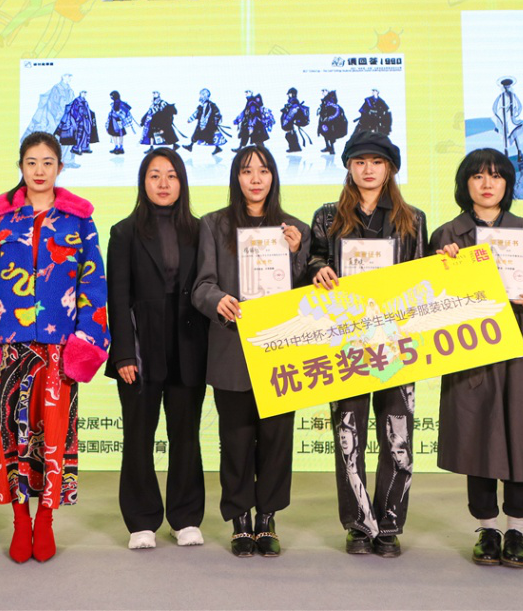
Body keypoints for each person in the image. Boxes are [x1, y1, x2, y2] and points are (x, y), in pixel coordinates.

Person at [0, 131, 109, 564]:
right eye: (31, 163)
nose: (39, 171)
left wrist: (86, 340)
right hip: (11, 348)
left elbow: (94, 284)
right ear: (21, 167)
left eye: (48, 163)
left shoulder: (79, 220)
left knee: (55, 437)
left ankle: (46, 519)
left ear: (60, 167)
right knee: (12, 434)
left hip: (60, 350)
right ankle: (20, 520)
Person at [429, 148, 523, 569]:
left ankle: (517, 531)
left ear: (507, 184)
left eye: (496, 176)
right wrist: (442, 268)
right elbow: (427, 298)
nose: (487, 184)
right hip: (472, 345)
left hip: (521, 345)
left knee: (522, 435)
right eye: (478, 176)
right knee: (478, 434)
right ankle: (487, 529)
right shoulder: (447, 235)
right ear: (465, 184)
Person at [307, 132, 427, 558]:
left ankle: (389, 525)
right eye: (360, 161)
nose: (368, 169)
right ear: (349, 167)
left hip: (397, 341)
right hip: (346, 342)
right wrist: (318, 268)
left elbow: (423, 275)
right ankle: (358, 524)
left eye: (377, 161)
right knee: (348, 436)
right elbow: (313, 258)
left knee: (398, 438)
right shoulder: (327, 216)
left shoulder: (413, 219)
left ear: (390, 168)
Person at [192, 145, 309, 558]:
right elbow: (201, 286)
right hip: (232, 347)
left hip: (281, 350)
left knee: (277, 438)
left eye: (263, 170)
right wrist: (218, 300)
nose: (255, 178)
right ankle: (240, 519)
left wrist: (296, 256)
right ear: (236, 178)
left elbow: (307, 296)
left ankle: (267, 519)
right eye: (246, 171)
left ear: (274, 177)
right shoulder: (214, 225)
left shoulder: (296, 230)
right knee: (236, 439)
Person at [107, 148, 208, 550]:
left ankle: (185, 518)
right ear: (143, 182)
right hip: (140, 347)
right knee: (138, 435)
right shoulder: (124, 232)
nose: (163, 183)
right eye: (154, 175)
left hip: (188, 345)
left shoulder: (201, 230)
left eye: (171, 175)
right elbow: (117, 297)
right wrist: (123, 353)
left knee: (186, 435)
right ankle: (142, 520)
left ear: (182, 182)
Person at [183, 88, 227, 155]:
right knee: (197, 135)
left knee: (209, 137)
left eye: (201, 95)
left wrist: (203, 125)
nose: (200, 96)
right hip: (204, 124)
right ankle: (190, 146)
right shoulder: (202, 105)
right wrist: (190, 119)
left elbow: (205, 115)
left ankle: (217, 148)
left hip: (208, 125)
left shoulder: (209, 105)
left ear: (205, 96)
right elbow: (197, 113)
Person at [491, 77, 523, 164]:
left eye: (508, 86)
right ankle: (506, 154)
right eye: (505, 86)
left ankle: (519, 153)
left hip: (512, 119)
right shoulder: (500, 97)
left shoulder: (513, 95)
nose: (507, 87)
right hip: (504, 119)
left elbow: (519, 106)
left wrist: (516, 114)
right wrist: (499, 118)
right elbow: (494, 108)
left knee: (515, 135)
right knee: (505, 137)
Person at [279, 88, 311, 153]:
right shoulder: (291, 102)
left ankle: (295, 147)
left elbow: (292, 112)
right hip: (290, 122)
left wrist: (287, 120)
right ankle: (293, 147)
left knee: (290, 135)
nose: (288, 95)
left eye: (289, 94)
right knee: (289, 134)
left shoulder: (294, 102)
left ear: (293, 94)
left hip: (291, 122)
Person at [317, 89, 348, 155]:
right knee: (325, 133)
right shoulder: (325, 100)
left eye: (324, 91)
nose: (322, 93)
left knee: (330, 134)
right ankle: (328, 147)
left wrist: (330, 118)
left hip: (331, 122)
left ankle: (332, 149)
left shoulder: (330, 100)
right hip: (325, 120)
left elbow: (336, 110)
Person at [106, 90, 136, 155]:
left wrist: (119, 116)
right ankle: (118, 147)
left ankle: (119, 148)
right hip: (114, 120)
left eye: (112, 96)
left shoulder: (120, 103)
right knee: (117, 134)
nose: (111, 97)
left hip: (117, 121)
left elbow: (122, 112)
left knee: (118, 134)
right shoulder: (116, 103)